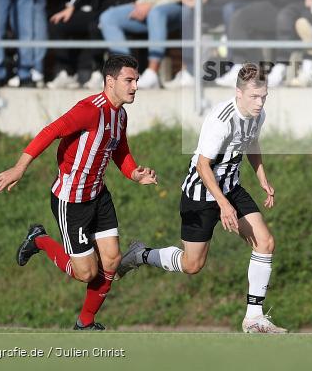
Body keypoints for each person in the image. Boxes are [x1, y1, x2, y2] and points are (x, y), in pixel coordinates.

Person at [0, 54, 158, 331]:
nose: (135, 86)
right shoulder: (89, 110)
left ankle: (85, 323)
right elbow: (51, 131)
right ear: (110, 81)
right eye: (129, 80)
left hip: (99, 195)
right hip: (72, 201)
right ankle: (39, 239)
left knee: (112, 260)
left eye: (136, 80)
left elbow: (119, 150)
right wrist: (20, 167)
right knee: (86, 273)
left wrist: (134, 174)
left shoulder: (120, 115)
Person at [116, 63, 286, 334]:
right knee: (192, 264)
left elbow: (251, 141)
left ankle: (253, 317)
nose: (260, 102)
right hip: (200, 193)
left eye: (264, 96)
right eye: (254, 96)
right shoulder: (222, 119)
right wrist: (223, 205)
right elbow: (202, 166)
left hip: (231, 188)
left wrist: (262, 177)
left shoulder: (258, 114)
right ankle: (140, 254)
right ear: (238, 92)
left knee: (265, 242)